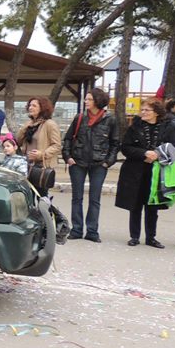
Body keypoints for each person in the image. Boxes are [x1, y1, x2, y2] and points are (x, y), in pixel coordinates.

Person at [115, 98, 175, 248]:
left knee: (153, 205)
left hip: (157, 172)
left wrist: (158, 155)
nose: (143, 112)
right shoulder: (134, 127)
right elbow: (125, 148)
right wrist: (144, 153)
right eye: (142, 110)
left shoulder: (167, 128)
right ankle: (134, 236)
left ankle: (151, 237)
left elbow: (174, 147)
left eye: (147, 110)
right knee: (135, 205)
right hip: (135, 171)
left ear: (156, 112)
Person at [62, 88, 119, 242]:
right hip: (78, 162)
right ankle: (77, 229)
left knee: (95, 199)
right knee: (77, 197)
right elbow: (68, 138)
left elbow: (115, 143)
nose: (85, 101)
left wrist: (108, 162)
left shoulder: (110, 120)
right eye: (85, 99)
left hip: (99, 164)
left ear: (98, 101)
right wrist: (68, 157)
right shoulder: (80, 117)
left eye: (89, 99)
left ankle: (92, 231)